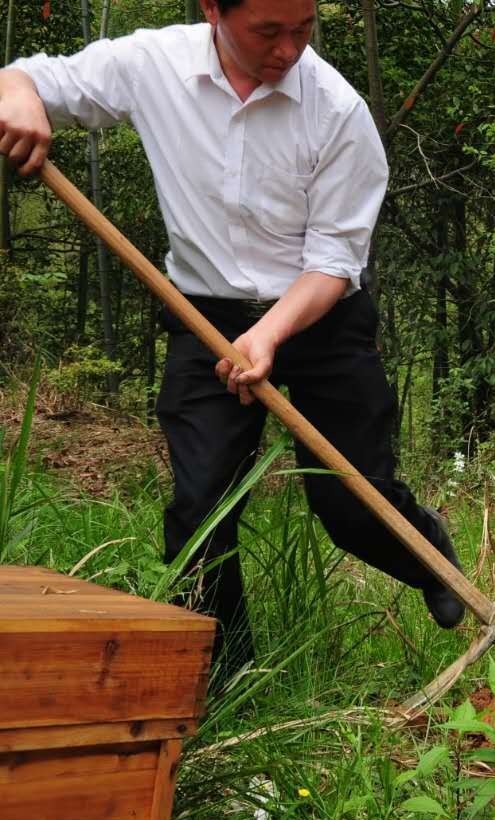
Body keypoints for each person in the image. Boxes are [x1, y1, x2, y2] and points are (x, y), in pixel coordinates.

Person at [0, 0, 467, 682]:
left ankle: (426, 551)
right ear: (213, 9)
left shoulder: (337, 111)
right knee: (201, 507)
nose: (288, 50)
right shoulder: (152, 64)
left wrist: (269, 335)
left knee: (351, 502)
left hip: (319, 315)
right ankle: (226, 675)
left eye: (303, 29)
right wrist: (19, 97)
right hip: (203, 315)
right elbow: (29, 78)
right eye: (268, 32)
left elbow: (335, 261)